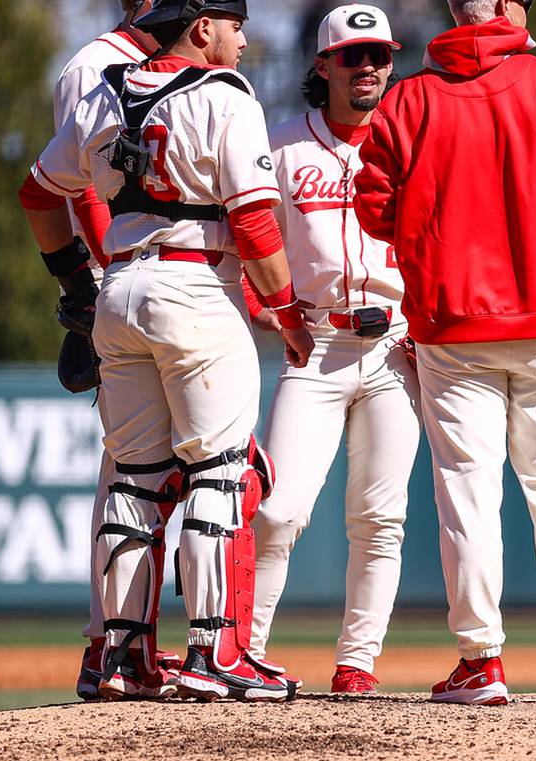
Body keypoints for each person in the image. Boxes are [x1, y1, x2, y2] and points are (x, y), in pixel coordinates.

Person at [18, 0, 314, 702]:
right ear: (202, 27)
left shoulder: (103, 91)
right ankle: (217, 654)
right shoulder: (223, 95)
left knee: (137, 480)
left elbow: (37, 193)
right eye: (234, 24)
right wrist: (286, 312)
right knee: (220, 472)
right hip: (194, 289)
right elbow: (251, 221)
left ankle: (120, 661)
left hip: (119, 290)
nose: (244, 39)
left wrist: (74, 285)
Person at [355, 0, 536, 705]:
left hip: (452, 324)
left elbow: (373, 208)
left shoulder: (408, 98)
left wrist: (435, 224)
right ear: (514, 8)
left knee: (469, 496)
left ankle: (482, 661)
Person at [245, 4, 418, 695]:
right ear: (324, 65)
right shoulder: (283, 145)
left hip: (397, 346)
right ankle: (243, 651)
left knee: (381, 516)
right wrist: (271, 315)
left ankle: (357, 665)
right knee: (277, 511)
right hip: (314, 345)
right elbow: (246, 253)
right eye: (353, 55)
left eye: (379, 54)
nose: (369, 66)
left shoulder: (415, 141)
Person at [54, 0, 184, 703]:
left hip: (149, 282)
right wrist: (97, 281)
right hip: (126, 282)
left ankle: (130, 645)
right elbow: (75, 184)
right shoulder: (97, 66)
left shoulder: (143, 65)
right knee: (130, 474)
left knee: (150, 473)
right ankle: (112, 643)